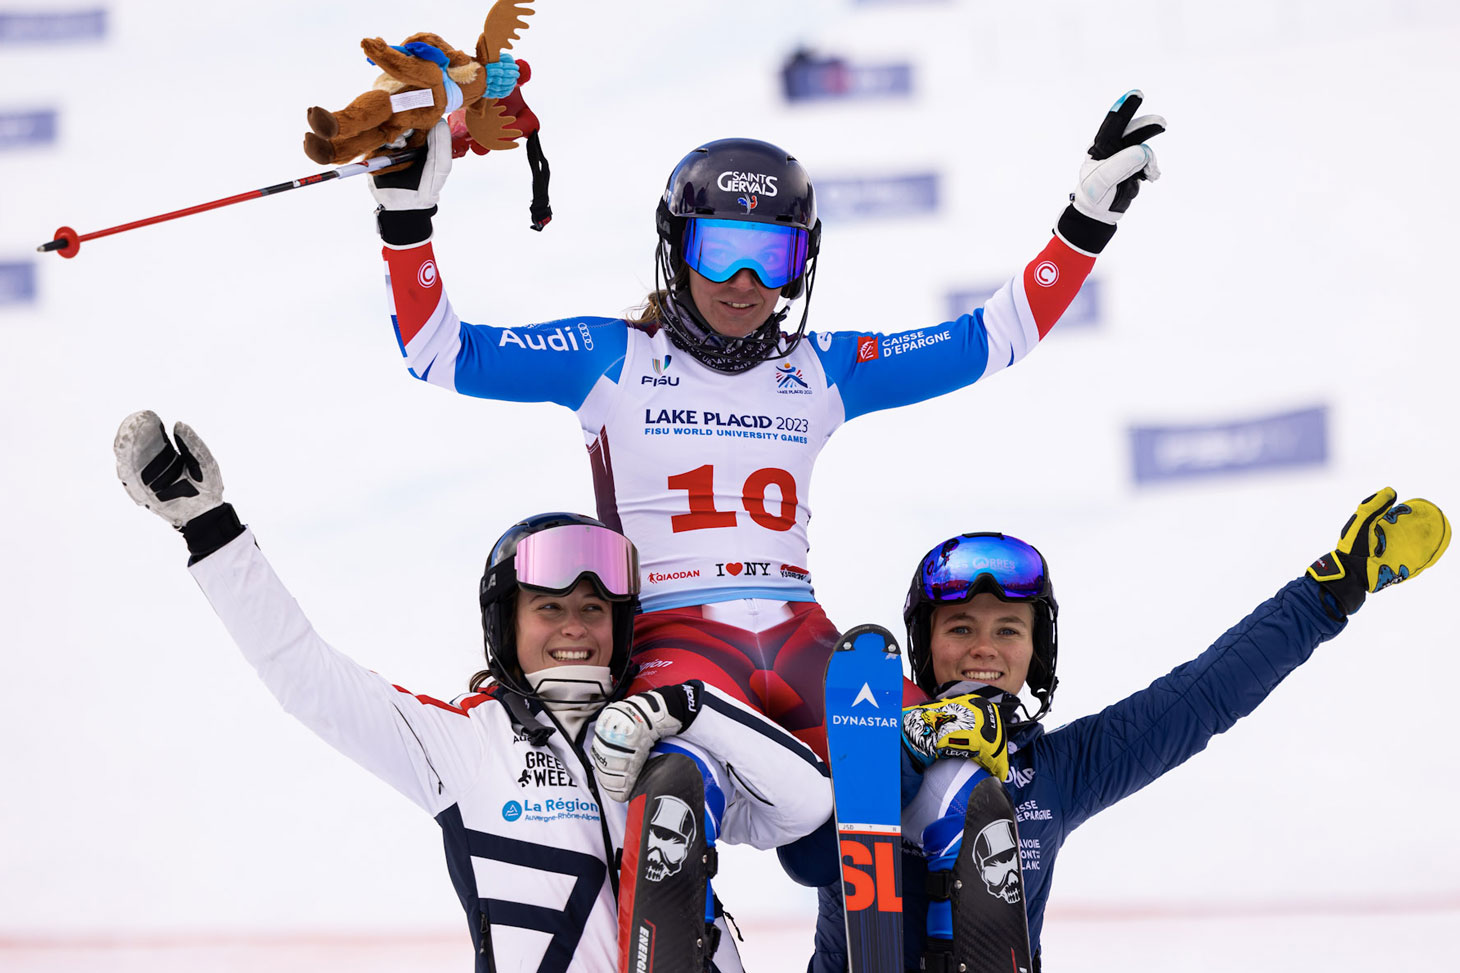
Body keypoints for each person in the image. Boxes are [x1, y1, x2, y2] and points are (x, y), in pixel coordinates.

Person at [367, 90, 1168, 764]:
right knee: (672, 797)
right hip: (674, 647)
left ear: (801, 266)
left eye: (772, 257)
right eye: (720, 251)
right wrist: (407, 220)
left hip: (804, 642)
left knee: (957, 773)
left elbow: (991, 340)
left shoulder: (823, 369)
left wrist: (1087, 217)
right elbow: (441, 352)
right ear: (678, 250)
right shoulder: (608, 357)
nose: (744, 282)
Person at [112, 410, 832, 973]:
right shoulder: (463, 742)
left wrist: (691, 706)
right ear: (504, 624)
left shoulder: (675, 737)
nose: (574, 628)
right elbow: (305, 676)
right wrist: (209, 529)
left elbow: (806, 807)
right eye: (548, 607)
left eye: (593, 609)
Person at [880, 489, 1450, 972]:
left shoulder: (1057, 771)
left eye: (1009, 630)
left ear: (1037, 651)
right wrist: (908, 744)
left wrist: (1329, 594)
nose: (984, 648)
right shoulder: (866, 733)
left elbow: (1203, 695)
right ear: (925, 646)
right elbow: (806, 847)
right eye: (960, 627)